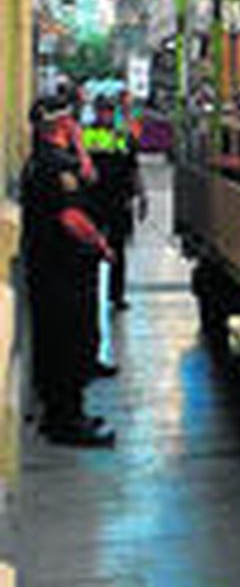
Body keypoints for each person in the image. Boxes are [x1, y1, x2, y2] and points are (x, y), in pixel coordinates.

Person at [23, 95, 118, 447]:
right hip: (61, 272)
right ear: (61, 124)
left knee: (65, 345)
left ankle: (65, 415)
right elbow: (71, 217)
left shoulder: (49, 160)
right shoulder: (54, 166)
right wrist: (100, 245)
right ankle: (66, 421)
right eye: (71, 121)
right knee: (67, 347)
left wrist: (78, 145)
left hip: (56, 271)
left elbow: (88, 174)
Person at [82, 94, 146, 312]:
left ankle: (116, 295)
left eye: (109, 111)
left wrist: (142, 195)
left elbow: (133, 166)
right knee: (90, 248)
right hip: (93, 201)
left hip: (119, 200)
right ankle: (89, 291)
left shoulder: (121, 135)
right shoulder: (86, 135)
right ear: (96, 111)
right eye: (102, 111)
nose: (105, 115)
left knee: (118, 249)